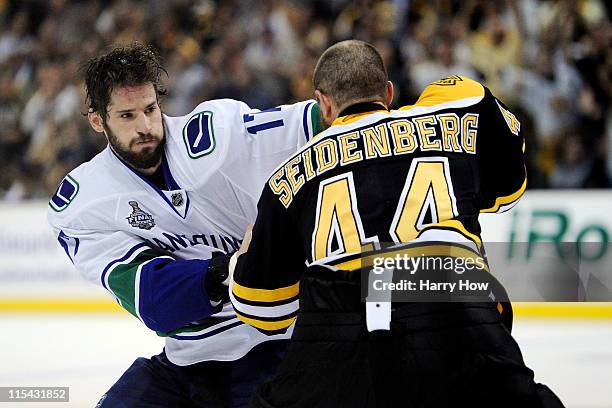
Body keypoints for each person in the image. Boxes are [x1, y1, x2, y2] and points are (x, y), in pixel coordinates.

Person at [230, 40, 565, 407]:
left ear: (323, 103)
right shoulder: (454, 114)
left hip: (342, 335)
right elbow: (508, 185)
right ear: (388, 92)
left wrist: (240, 259)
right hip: (451, 310)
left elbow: (262, 308)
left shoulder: (287, 178)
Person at [47, 43, 321, 407]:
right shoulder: (83, 202)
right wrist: (232, 268)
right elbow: (154, 301)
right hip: (186, 360)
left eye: (150, 109)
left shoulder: (217, 135)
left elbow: (325, 118)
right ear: (97, 120)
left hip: (275, 343)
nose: (145, 126)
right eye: (127, 116)